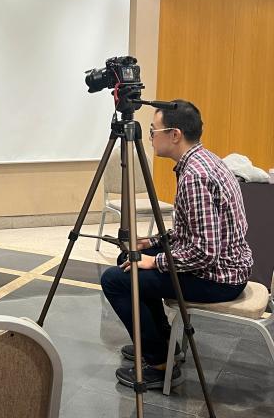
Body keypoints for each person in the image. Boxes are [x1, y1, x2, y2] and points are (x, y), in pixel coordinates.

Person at [100, 99, 252, 389]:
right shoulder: (204, 160)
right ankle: (164, 342)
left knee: (115, 280)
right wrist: (152, 242)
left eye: (153, 130)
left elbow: (205, 252)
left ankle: (159, 362)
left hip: (218, 278)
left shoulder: (195, 176)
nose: (149, 137)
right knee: (128, 260)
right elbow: (189, 232)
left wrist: (154, 261)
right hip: (223, 266)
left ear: (175, 135)